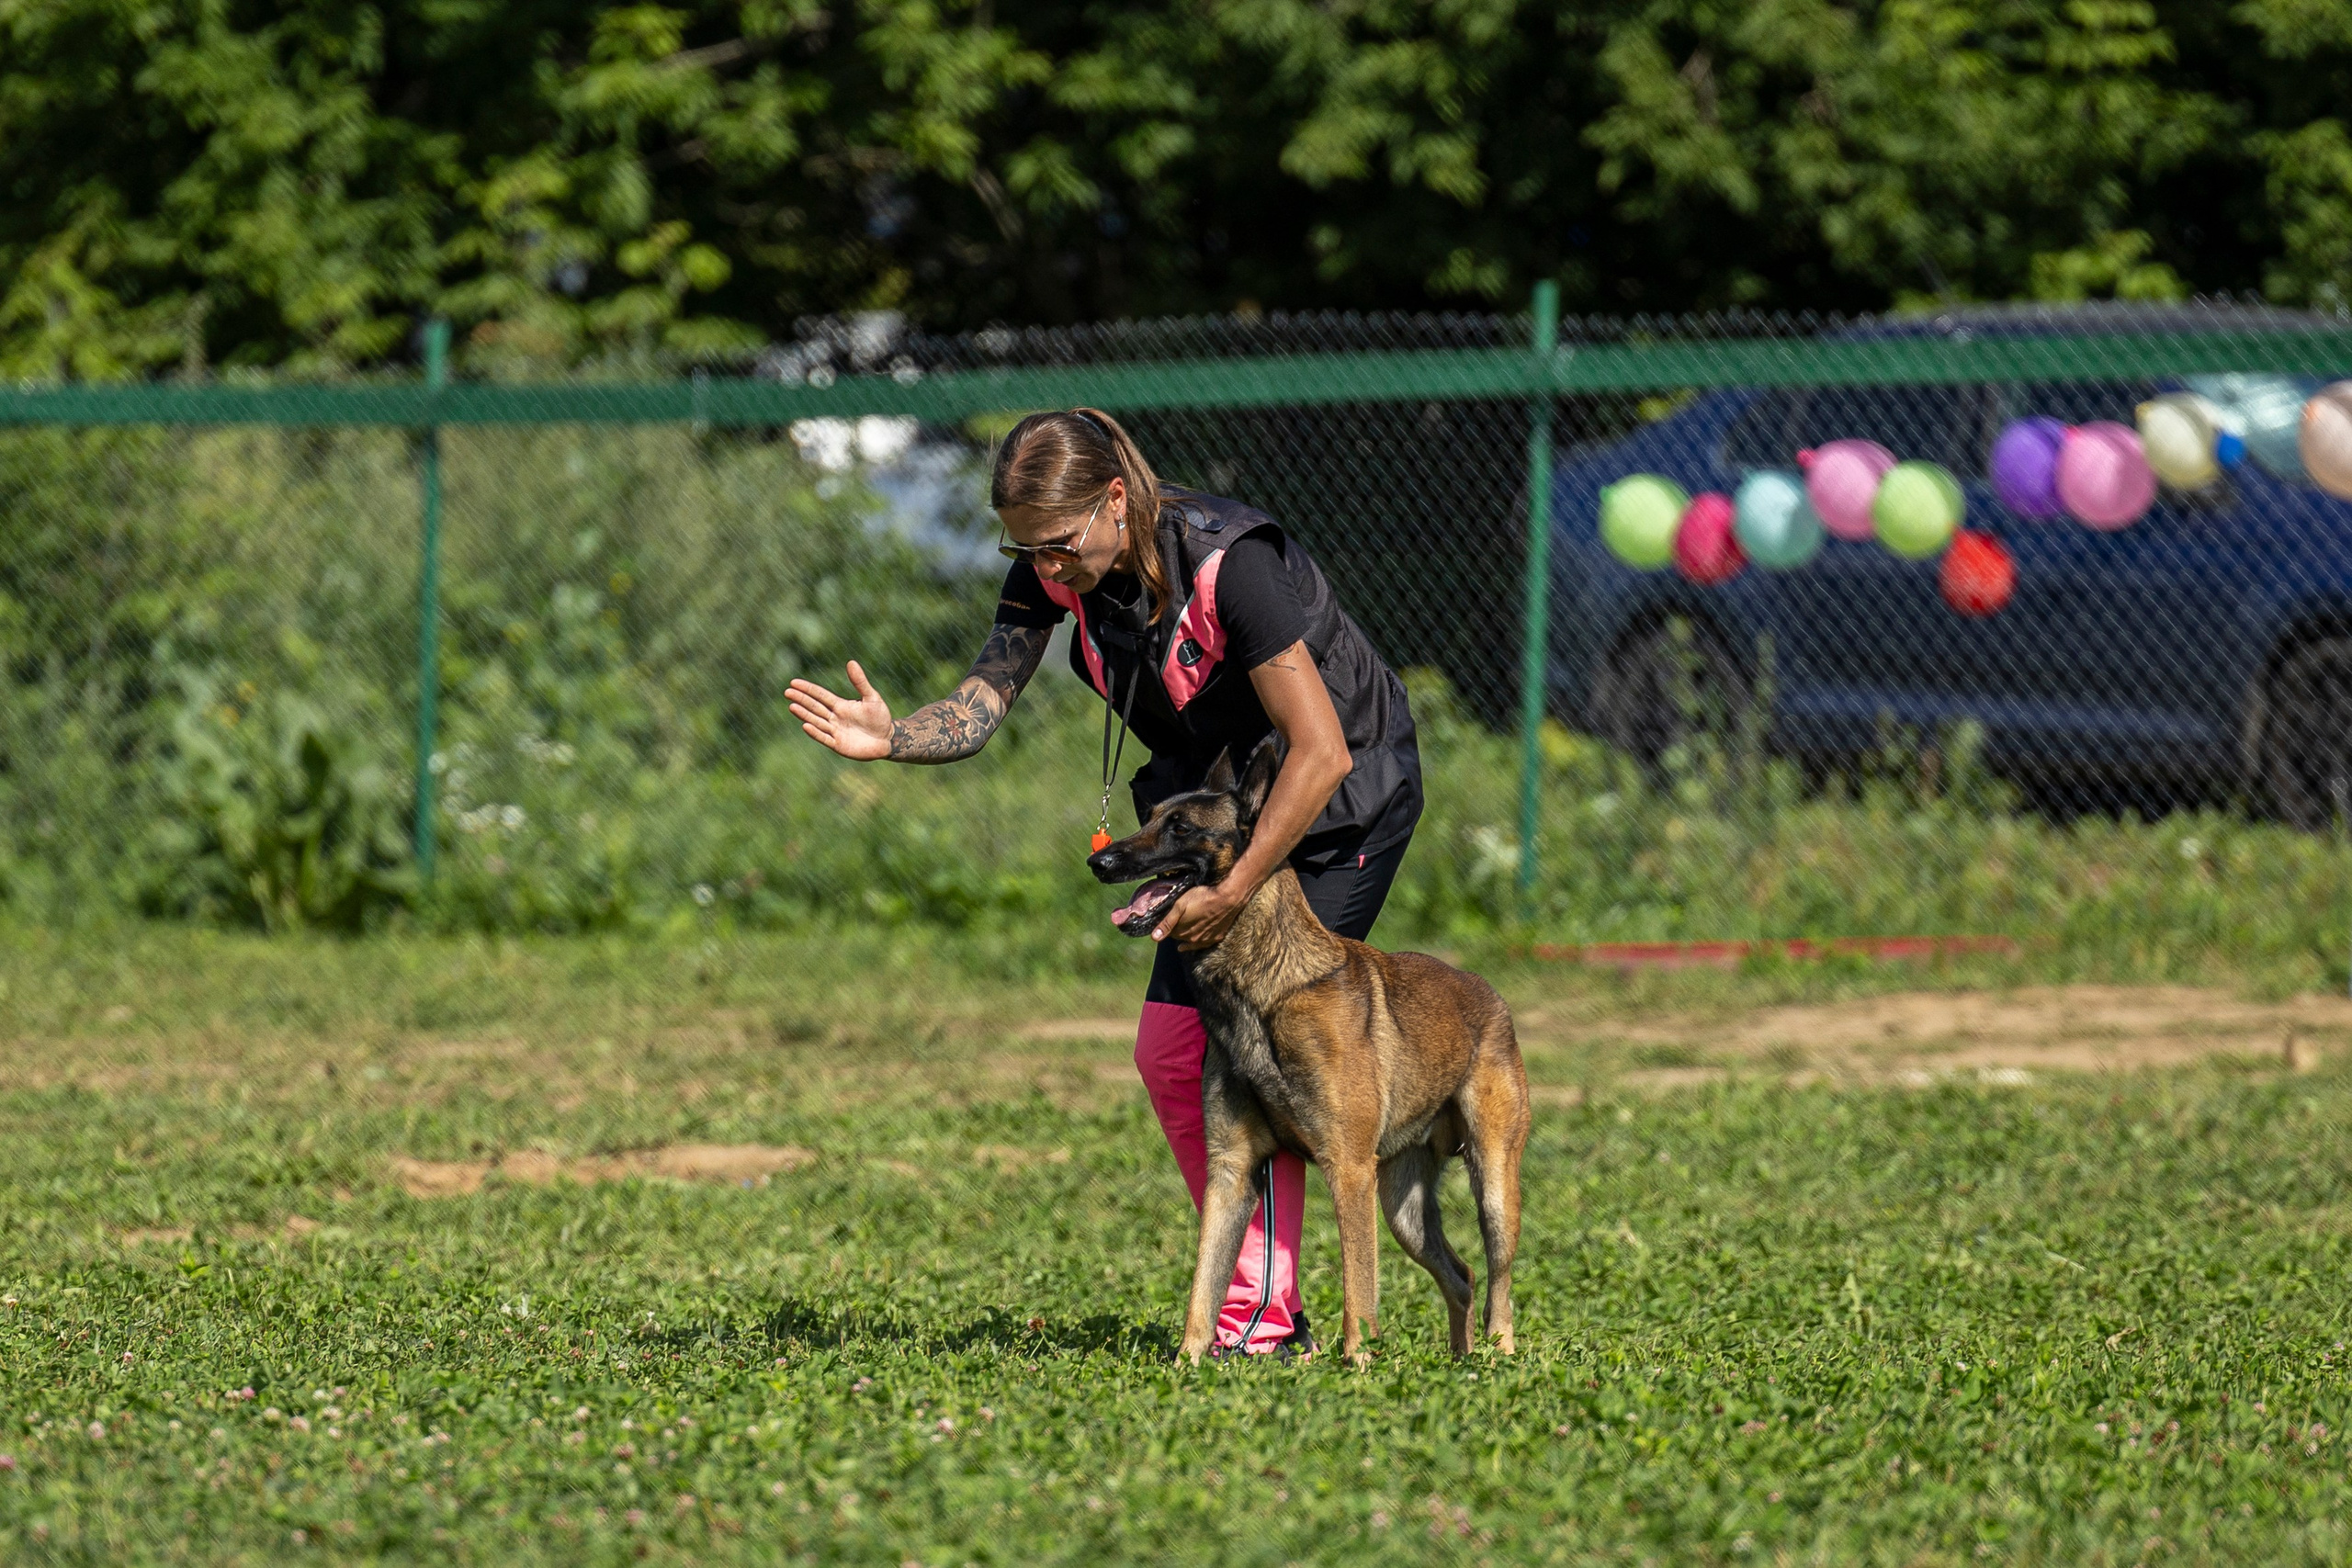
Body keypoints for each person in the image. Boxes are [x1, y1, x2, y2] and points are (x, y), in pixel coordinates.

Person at [786, 407, 1421, 1359]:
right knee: (1175, 1054)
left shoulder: (1229, 563)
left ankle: (1265, 1313)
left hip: (1334, 806)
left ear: (1115, 500)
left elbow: (1319, 749)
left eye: (1058, 546)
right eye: (1025, 550)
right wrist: (895, 738)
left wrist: (1239, 888)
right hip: (1217, 810)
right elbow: (982, 700)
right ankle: (1259, 1298)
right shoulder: (1054, 571)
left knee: (1283, 1052)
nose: (1046, 569)